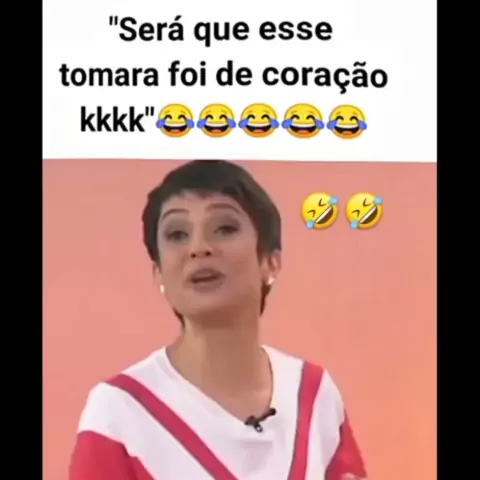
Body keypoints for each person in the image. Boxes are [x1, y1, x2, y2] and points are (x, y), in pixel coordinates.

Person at [69, 160, 368, 480]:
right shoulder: (118, 412)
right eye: (177, 234)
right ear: (159, 273)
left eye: (225, 228)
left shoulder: (316, 394)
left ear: (270, 262)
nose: (198, 248)